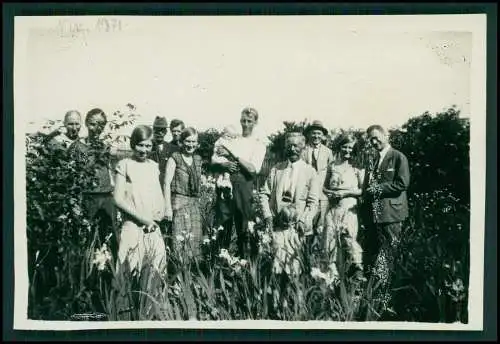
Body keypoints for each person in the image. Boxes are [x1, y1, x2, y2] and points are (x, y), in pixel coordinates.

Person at [361, 124, 410, 316]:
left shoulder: (398, 157)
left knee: (390, 254)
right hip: (376, 216)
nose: (374, 142)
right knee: (376, 254)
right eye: (371, 139)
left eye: (376, 137)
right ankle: (377, 295)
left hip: (392, 215)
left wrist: (377, 189)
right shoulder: (374, 159)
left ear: (385, 135)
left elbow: (402, 183)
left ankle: (388, 297)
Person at [259, 132, 320, 273]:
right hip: (277, 226)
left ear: (303, 148)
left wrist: (303, 221)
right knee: (276, 267)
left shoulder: (310, 172)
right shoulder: (276, 169)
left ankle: (294, 295)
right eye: (289, 145)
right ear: (285, 148)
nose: (293, 149)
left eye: (297, 145)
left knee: (295, 269)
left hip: (298, 228)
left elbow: (313, 202)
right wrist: (268, 216)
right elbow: (263, 194)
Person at [211, 107, 267, 259]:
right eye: (243, 120)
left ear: (255, 122)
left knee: (244, 226)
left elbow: (253, 169)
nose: (245, 124)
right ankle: (220, 263)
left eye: (249, 121)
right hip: (227, 184)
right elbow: (215, 160)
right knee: (223, 224)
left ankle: (246, 264)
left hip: (244, 185)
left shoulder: (258, 144)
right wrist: (223, 165)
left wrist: (233, 155)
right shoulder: (233, 138)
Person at [113, 125, 167, 274]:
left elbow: (157, 193)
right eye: (140, 145)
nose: (144, 150)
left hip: (153, 226)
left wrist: (159, 214)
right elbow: (118, 200)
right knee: (130, 269)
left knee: (155, 271)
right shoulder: (124, 165)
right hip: (133, 225)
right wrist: (143, 219)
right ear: (133, 144)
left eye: (148, 146)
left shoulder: (154, 166)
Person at [68, 108, 118, 257]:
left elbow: (111, 170)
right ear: (86, 123)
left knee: (111, 239)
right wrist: (75, 202)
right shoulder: (76, 147)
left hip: (107, 198)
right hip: (88, 198)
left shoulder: (104, 147)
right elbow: (72, 176)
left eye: (102, 124)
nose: (98, 128)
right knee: (86, 240)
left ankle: (110, 276)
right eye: (94, 124)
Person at [323, 134, 365, 282]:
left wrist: (345, 192)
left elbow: (362, 190)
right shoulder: (332, 165)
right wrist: (332, 193)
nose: (347, 150)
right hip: (333, 208)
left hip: (349, 208)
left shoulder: (357, 167)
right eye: (345, 146)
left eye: (350, 148)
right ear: (339, 147)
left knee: (349, 239)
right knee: (330, 240)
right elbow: (324, 187)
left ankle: (355, 274)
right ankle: (332, 276)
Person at [163, 127, 204, 258]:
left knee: (195, 241)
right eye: (187, 141)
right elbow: (166, 183)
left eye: (193, 142)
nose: (190, 145)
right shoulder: (175, 158)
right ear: (181, 142)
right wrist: (168, 208)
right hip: (179, 203)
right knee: (180, 241)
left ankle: (192, 275)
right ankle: (179, 275)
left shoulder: (198, 159)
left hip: (194, 205)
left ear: (197, 143)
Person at [301, 120, 334, 252]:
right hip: (307, 192)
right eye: (313, 133)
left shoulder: (328, 152)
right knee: (307, 222)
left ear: (323, 136)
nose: (316, 136)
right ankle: (305, 252)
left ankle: (319, 254)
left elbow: (332, 171)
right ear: (309, 135)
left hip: (323, 193)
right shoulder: (303, 150)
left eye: (319, 134)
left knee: (321, 225)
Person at [211, 124, 241, 200]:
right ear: (223, 134)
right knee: (224, 172)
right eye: (228, 136)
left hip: (226, 161)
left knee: (224, 174)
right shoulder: (221, 140)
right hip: (220, 159)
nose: (229, 138)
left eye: (232, 137)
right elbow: (218, 149)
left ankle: (224, 185)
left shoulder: (233, 142)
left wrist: (228, 153)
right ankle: (223, 184)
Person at [148, 116, 171, 191]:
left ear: (166, 132)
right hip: (149, 187)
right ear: (153, 130)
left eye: (162, 130)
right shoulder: (146, 146)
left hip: (166, 188)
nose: (159, 133)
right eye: (157, 130)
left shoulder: (171, 148)